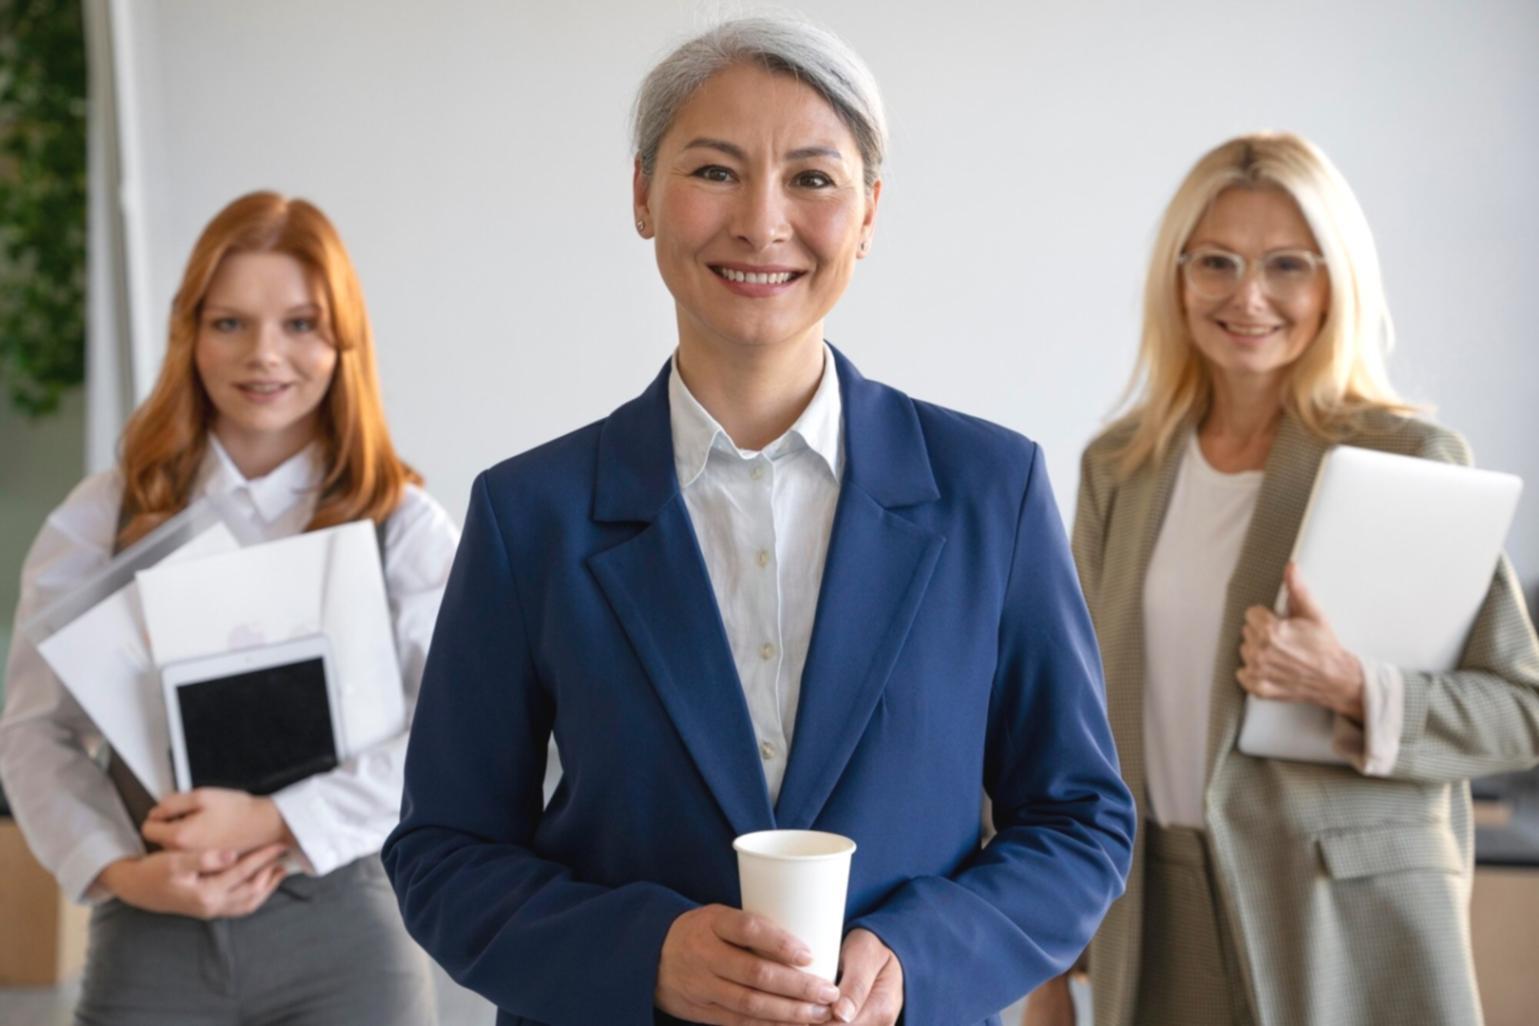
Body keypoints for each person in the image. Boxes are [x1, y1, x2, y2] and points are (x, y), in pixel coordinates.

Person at [384, 15, 1134, 1026]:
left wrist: (918, 957)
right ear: (642, 194)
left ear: (868, 214)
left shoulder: (990, 491)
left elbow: (1079, 820)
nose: (761, 223)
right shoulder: (530, 514)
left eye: (812, 178)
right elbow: (443, 851)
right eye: (714, 171)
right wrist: (645, 956)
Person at [1025, 133, 1539, 1026]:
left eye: (1286, 265)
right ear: (1177, 278)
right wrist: (1043, 961)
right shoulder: (1120, 466)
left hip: (1343, 928)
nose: (1247, 296)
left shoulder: (1408, 457)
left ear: (1335, 282)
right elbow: (1066, 713)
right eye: (1215, 262)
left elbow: (1518, 711)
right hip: (1154, 913)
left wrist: (1355, 686)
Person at [0, 191, 459, 1025]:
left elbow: (449, 742)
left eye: (300, 324)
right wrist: (117, 870)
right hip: (151, 920)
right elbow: (34, 730)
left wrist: (273, 818)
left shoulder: (403, 526)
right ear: (190, 333)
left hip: (345, 933)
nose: (264, 355)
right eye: (229, 323)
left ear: (343, 340)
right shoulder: (104, 513)